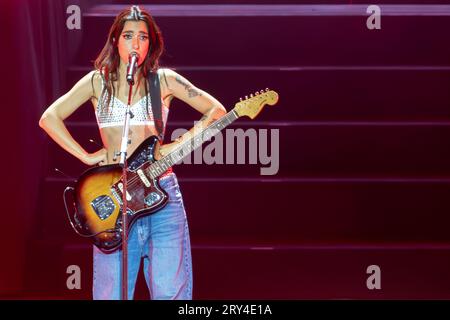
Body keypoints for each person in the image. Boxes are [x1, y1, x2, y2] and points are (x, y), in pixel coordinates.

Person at [39, 5, 226, 300]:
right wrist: (85, 156)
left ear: (150, 43)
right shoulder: (96, 81)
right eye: (128, 36)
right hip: (114, 198)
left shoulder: (163, 80)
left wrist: (178, 144)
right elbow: (49, 117)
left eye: (142, 37)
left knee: (170, 291)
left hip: (161, 191)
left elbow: (216, 111)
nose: (135, 43)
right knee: (111, 292)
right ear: (116, 40)